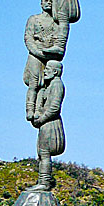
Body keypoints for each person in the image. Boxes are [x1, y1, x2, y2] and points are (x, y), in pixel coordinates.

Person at [23, 0, 67, 121]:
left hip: (49, 55)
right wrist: (37, 51)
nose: (48, 3)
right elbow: (28, 38)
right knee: (34, 83)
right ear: (41, 4)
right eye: (45, 1)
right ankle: (30, 109)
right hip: (36, 55)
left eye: (50, 1)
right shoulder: (34, 19)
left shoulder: (55, 22)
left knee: (45, 85)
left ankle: (38, 109)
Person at [29, 61, 66, 191]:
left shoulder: (57, 85)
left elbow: (55, 108)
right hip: (45, 122)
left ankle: (44, 182)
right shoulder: (49, 86)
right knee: (41, 153)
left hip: (50, 123)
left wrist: (41, 119)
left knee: (45, 153)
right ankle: (42, 180)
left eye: (48, 69)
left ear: (55, 72)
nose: (45, 72)